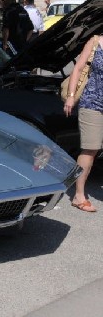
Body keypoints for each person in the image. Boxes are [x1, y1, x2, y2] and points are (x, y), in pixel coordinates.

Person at [63, 34, 103, 213]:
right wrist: (71, 97)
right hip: (92, 103)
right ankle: (79, 196)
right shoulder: (95, 42)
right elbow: (78, 69)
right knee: (91, 148)